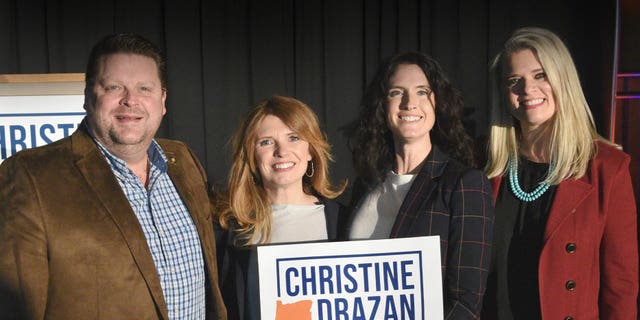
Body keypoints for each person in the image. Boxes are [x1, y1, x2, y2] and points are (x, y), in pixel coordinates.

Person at [0, 33, 227, 319]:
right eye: (114, 87)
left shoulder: (182, 160)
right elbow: (14, 308)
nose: (131, 100)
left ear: (163, 100)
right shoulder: (29, 176)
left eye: (145, 88)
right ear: (87, 96)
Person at [480, 27, 638, 319]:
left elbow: (621, 286)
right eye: (514, 80)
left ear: (563, 79)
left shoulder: (607, 168)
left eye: (541, 75)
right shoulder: (484, 166)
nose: (527, 90)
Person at [345, 51, 494, 319]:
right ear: (382, 105)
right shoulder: (364, 186)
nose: (409, 103)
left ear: (438, 103)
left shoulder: (465, 185)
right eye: (396, 92)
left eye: (423, 92)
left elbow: (466, 305)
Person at [214, 95, 347, 319]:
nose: (282, 151)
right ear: (252, 156)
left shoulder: (343, 222)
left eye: (293, 138)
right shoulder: (228, 230)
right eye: (266, 142)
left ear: (311, 150)